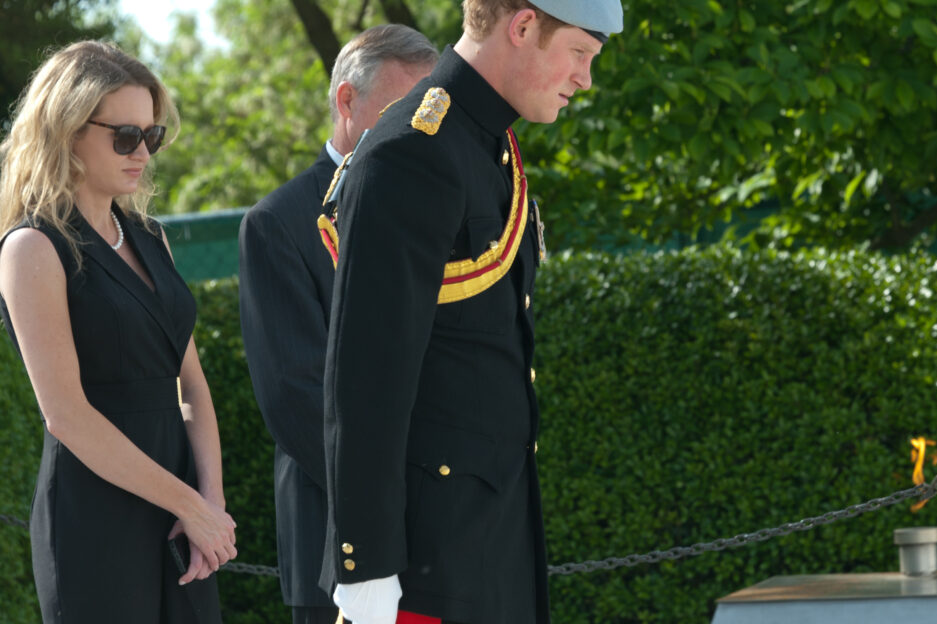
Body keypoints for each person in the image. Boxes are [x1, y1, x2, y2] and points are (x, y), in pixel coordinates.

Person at [319, 1, 622, 623]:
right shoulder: (411, 151)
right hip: (424, 572)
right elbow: (368, 379)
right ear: (523, 27)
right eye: (581, 54)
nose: (586, 79)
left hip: (485, 544)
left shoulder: (486, 144)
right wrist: (368, 569)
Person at [0, 41, 236, 623]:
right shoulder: (32, 247)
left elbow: (192, 387)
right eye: (125, 136)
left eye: (151, 137)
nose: (142, 153)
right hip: (94, 517)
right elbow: (67, 416)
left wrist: (211, 501)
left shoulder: (150, 239)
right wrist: (192, 504)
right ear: (68, 131)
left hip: (181, 511)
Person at [238, 24, 437, 624]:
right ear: (348, 101)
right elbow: (296, 398)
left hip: (438, 541)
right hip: (340, 543)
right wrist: (396, 498)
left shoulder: (434, 214)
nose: (422, 128)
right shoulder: (278, 223)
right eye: (407, 108)